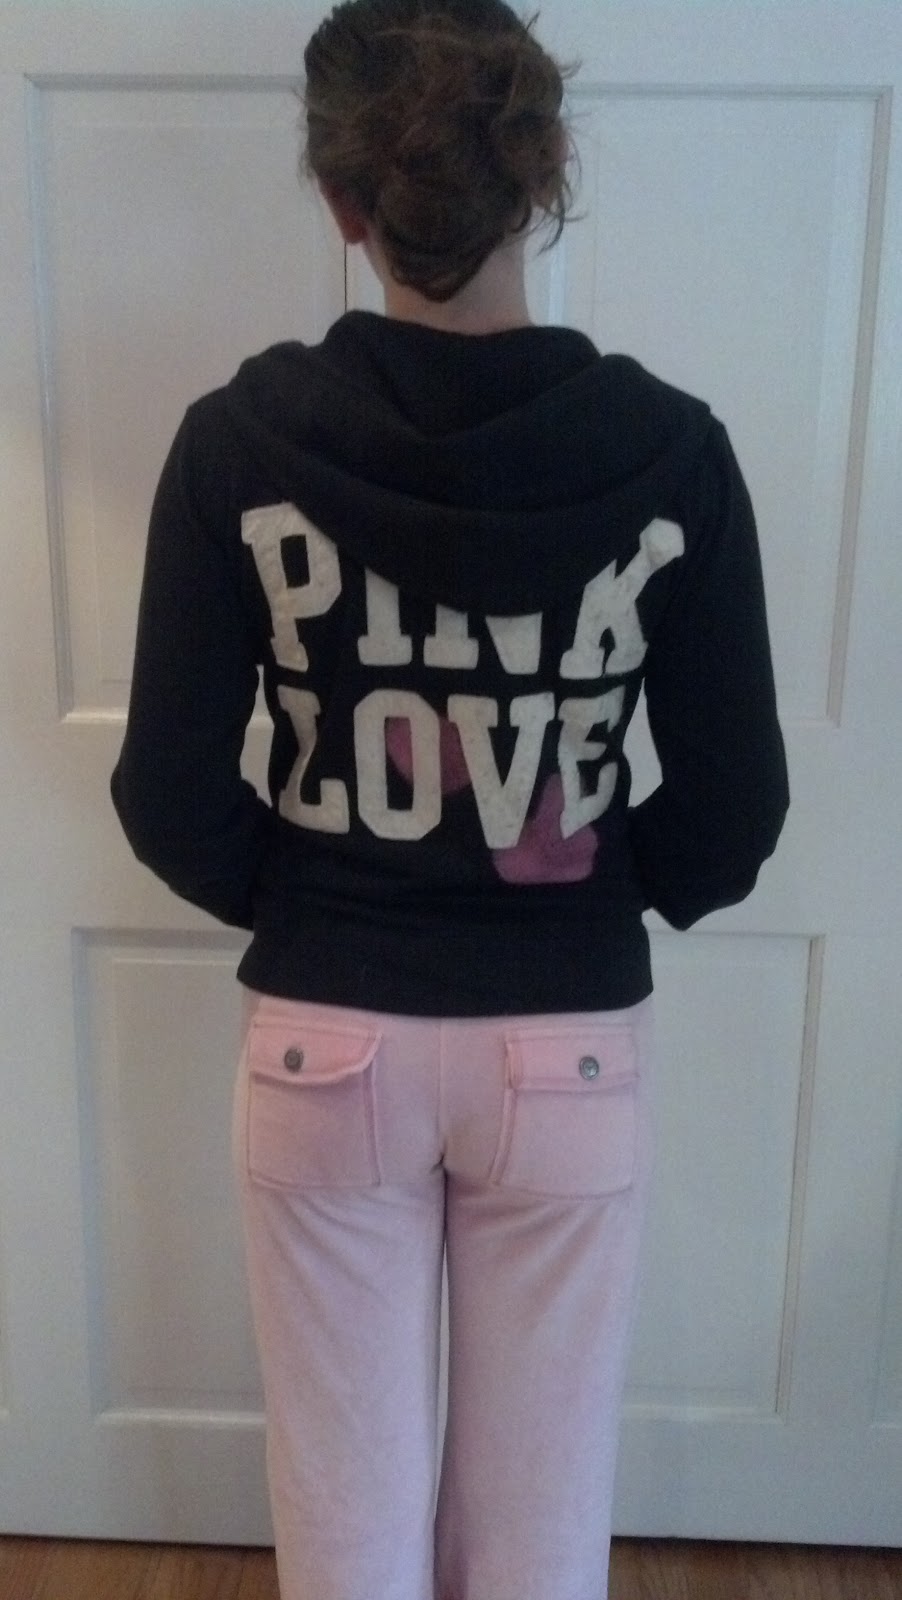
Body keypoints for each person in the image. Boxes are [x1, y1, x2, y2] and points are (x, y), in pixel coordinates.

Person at [110, 1, 789, 1595]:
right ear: (538, 177)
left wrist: (316, 893)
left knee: (341, 1504)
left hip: (323, 1039)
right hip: (564, 1043)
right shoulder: (671, 452)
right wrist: (589, 883)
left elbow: (169, 792)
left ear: (342, 201)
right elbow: (733, 813)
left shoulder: (238, 444)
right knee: (543, 1512)